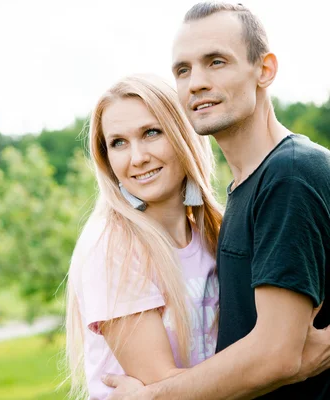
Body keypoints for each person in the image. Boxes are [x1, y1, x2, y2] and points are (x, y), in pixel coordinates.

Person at [102, 2, 330, 399]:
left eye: (216, 62)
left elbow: (276, 354)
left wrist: (152, 398)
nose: (196, 83)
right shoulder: (245, 187)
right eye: (183, 70)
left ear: (265, 69)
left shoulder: (289, 175)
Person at [64, 73, 224, 400]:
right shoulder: (111, 247)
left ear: (183, 134)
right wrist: (280, 365)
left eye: (151, 133)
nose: (137, 158)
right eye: (118, 143)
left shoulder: (213, 234)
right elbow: (166, 386)